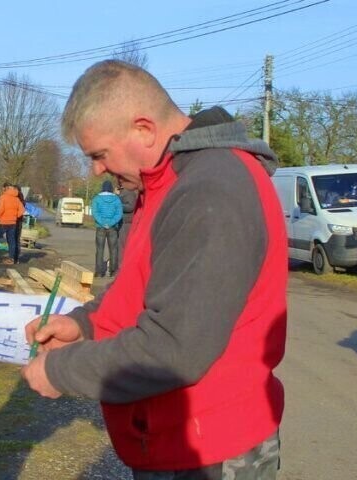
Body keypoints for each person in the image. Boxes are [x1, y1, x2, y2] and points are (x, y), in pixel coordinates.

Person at [22, 60, 287, 479]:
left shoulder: (209, 190)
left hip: (209, 451)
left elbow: (174, 348)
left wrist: (60, 370)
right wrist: (83, 324)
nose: (96, 170)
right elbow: (140, 286)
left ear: (144, 128)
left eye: (99, 154)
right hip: (174, 440)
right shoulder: (166, 181)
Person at [0, 183, 25, 265]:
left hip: (4, 222)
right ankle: (11, 259)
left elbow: (0, 209)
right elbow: (22, 210)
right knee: (11, 241)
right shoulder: (16, 199)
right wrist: (15, 216)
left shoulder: (3, 197)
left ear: (6, 189)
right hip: (13, 223)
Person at [91, 179, 123, 277]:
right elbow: (119, 214)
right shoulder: (117, 199)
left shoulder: (96, 199)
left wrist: (103, 223)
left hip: (100, 227)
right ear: (111, 189)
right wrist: (111, 223)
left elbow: (95, 213)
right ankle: (113, 272)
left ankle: (99, 272)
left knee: (100, 249)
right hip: (113, 228)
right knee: (113, 249)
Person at [117, 185, 138, 267]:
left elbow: (130, 207)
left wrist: (118, 205)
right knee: (121, 245)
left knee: (123, 245)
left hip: (127, 222)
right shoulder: (125, 192)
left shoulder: (129, 193)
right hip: (124, 222)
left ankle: (122, 266)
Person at [13, 184, 27, 264]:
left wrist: (16, 216)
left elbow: (21, 210)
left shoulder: (17, 199)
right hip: (19, 221)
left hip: (16, 221)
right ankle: (16, 258)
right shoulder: (21, 198)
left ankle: (15, 257)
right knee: (16, 239)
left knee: (14, 239)